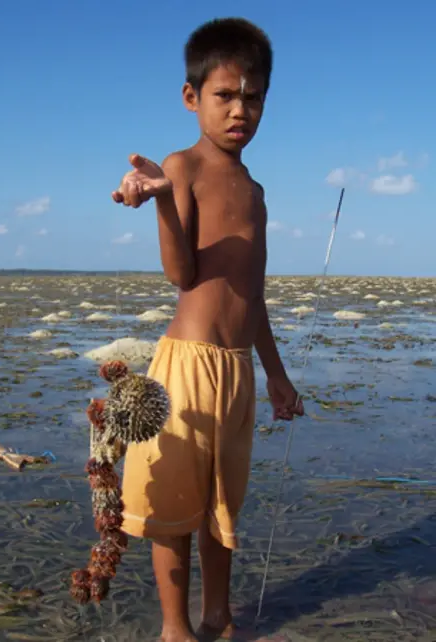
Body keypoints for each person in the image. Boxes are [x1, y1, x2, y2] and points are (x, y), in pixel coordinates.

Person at [112, 17, 304, 642]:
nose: (239, 110)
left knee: (222, 511)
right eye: (225, 95)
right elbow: (179, 271)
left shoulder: (256, 191)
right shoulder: (183, 165)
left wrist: (276, 375)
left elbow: (255, 296)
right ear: (192, 97)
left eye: (253, 98)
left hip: (237, 370)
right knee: (171, 509)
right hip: (186, 367)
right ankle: (176, 629)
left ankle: (218, 617)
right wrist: (164, 198)